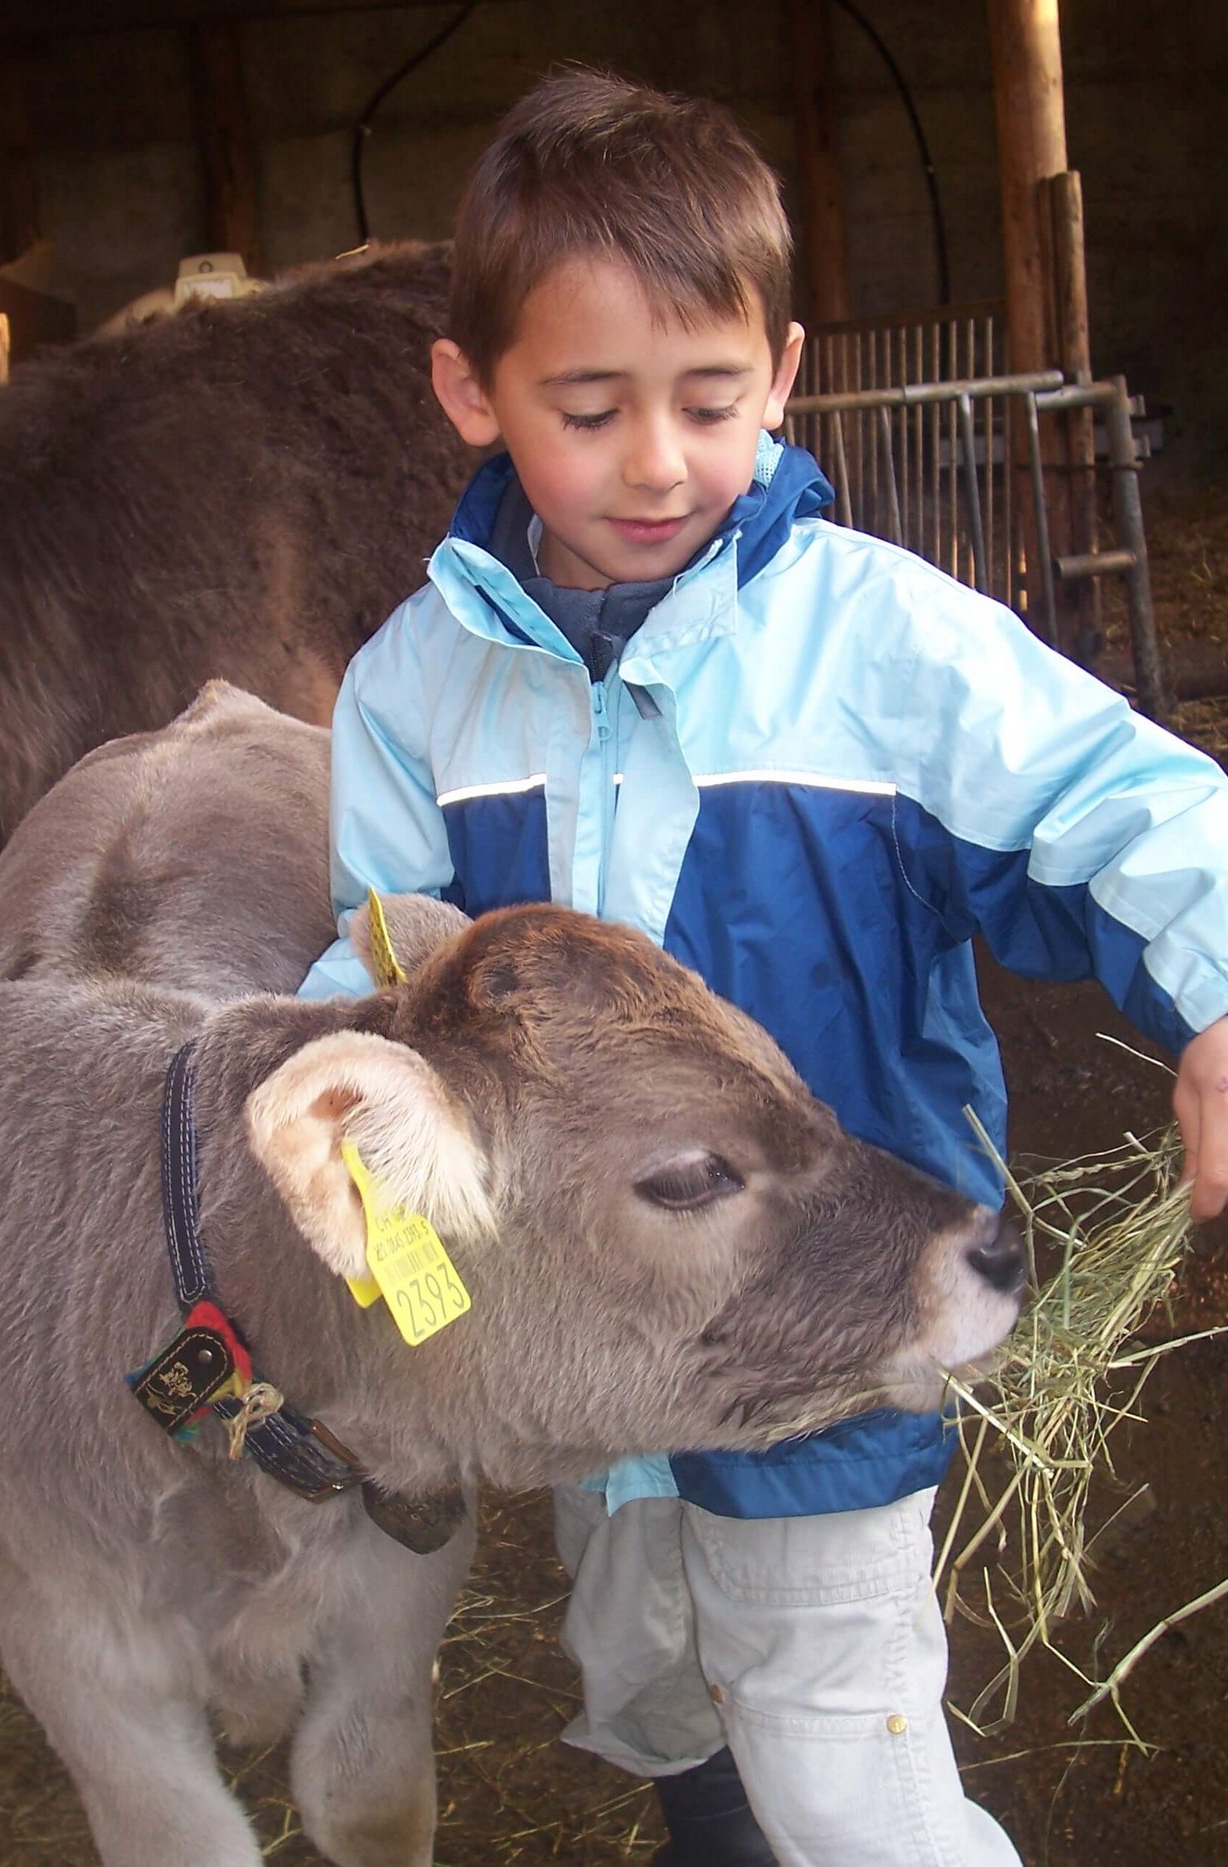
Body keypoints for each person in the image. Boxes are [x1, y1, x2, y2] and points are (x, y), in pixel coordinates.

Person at [299, 66, 1228, 1867]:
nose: (658, 461)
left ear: (784, 376)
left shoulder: (880, 644)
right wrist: (404, 1305)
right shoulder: (416, 689)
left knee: (842, 1763)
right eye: (588, 408)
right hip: (585, 1362)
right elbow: (380, 996)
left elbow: (1129, 805)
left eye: (711, 402)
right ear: (470, 394)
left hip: (835, 1316)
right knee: (654, 1681)